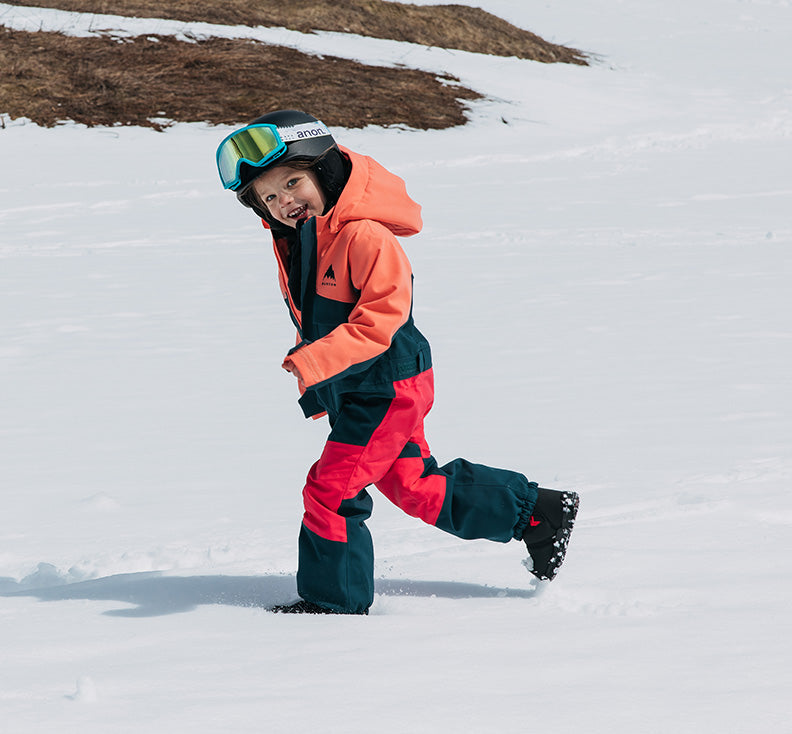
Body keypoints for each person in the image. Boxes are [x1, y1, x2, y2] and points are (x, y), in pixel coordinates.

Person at [215, 110, 579, 615]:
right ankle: (536, 514)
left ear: (324, 171)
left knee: (330, 489)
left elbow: (382, 320)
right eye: (269, 197)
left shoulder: (365, 237)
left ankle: (333, 603)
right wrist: (323, 381)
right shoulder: (304, 242)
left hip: (388, 387)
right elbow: (317, 318)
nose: (284, 203)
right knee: (415, 486)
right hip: (360, 388)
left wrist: (315, 363)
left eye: (292, 182)